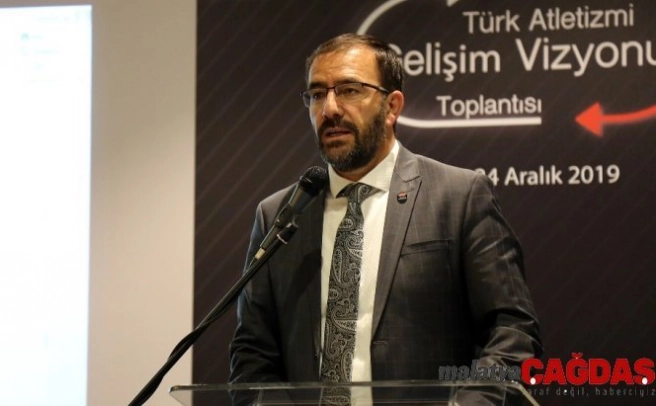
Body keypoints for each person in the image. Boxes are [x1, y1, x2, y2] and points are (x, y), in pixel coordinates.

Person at [229, 33, 542, 402]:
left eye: (349, 90)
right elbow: (252, 352)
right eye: (317, 94)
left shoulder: (459, 196)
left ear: (392, 106)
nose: (329, 109)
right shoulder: (279, 216)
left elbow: (512, 333)